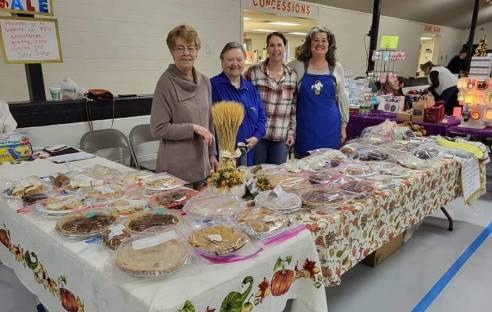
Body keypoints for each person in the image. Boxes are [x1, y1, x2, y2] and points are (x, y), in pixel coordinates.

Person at [150, 24, 218, 183]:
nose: (186, 53)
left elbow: (209, 120)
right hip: (175, 168)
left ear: (197, 51)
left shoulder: (205, 81)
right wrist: (193, 128)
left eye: (191, 48)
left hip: (202, 165)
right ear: (172, 52)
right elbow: (158, 129)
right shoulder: (165, 83)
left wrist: (212, 153)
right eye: (180, 48)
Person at [289, 26, 349, 157]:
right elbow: (278, 73)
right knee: (303, 168)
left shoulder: (336, 67)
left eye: (324, 40)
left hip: (330, 127)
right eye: (316, 40)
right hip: (305, 127)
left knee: (328, 167)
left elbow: (342, 97)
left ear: (329, 44)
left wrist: (343, 126)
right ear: (309, 43)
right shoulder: (297, 65)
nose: (320, 44)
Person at [211, 41, 266, 166]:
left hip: (249, 154)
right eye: (230, 59)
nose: (235, 64)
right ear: (222, 61)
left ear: (244, 60)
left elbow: (262, 117)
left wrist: (256, 137)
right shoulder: (212, 86)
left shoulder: (251, 89)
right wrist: (211, 153)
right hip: (223, 157)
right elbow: (207, 123)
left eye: (239, 59)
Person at [245, 32, 297, 165]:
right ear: (267, 48)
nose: (276, 49)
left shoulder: (292, 76)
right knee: (257, 176)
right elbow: (245, 101)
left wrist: (291, 132)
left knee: (277, 177)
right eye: (272, 45)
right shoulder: (254, 72)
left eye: (279, 45)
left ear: (285, 48)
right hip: (258, 137)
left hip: (281, 137)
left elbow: (293, 107)